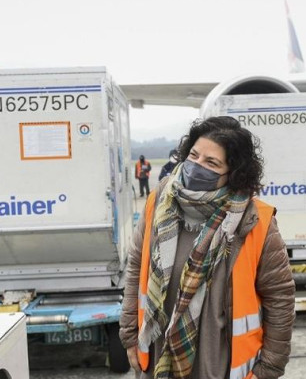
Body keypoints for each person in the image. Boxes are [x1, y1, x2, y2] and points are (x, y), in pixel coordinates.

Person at [119, 116, 295, 379]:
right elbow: (136, 269)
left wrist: (269, 367)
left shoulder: (255, 220)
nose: (196, 166)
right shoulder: (159, 202)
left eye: (211, 162)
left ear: (232, 173)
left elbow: (280, 298)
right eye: (194, 155)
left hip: (219, 364)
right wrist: (129, 333)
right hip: (157, 356)